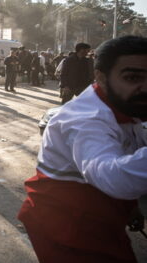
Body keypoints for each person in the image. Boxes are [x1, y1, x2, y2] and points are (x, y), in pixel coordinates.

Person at [18, 36, 147, 262]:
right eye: (132, 77)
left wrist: (130, 207)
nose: (144, 87)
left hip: (101, 216)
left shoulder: (124, 103)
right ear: (102, 77)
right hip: (67, 227)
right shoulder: (86, 120)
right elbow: (111, 175)